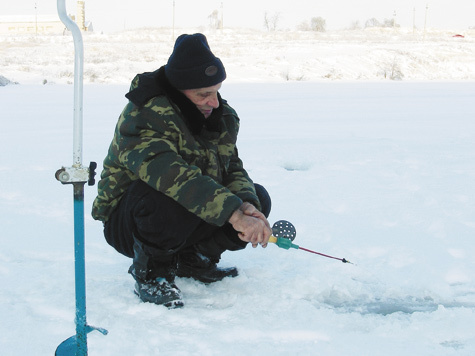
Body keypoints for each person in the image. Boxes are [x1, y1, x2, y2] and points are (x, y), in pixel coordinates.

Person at [92, 33, 272, 308]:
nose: (214, 102)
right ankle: (152, 273)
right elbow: (171, 176)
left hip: (182, 212)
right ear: (179, 90)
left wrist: (247, 206)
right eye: (204, 95)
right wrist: (234, 214)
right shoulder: (143, 115)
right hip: (129, 221)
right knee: (168, 194)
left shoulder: (219, 116)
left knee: (257, 196)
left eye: (216, 91)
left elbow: (231, 166)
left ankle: (194, 260)